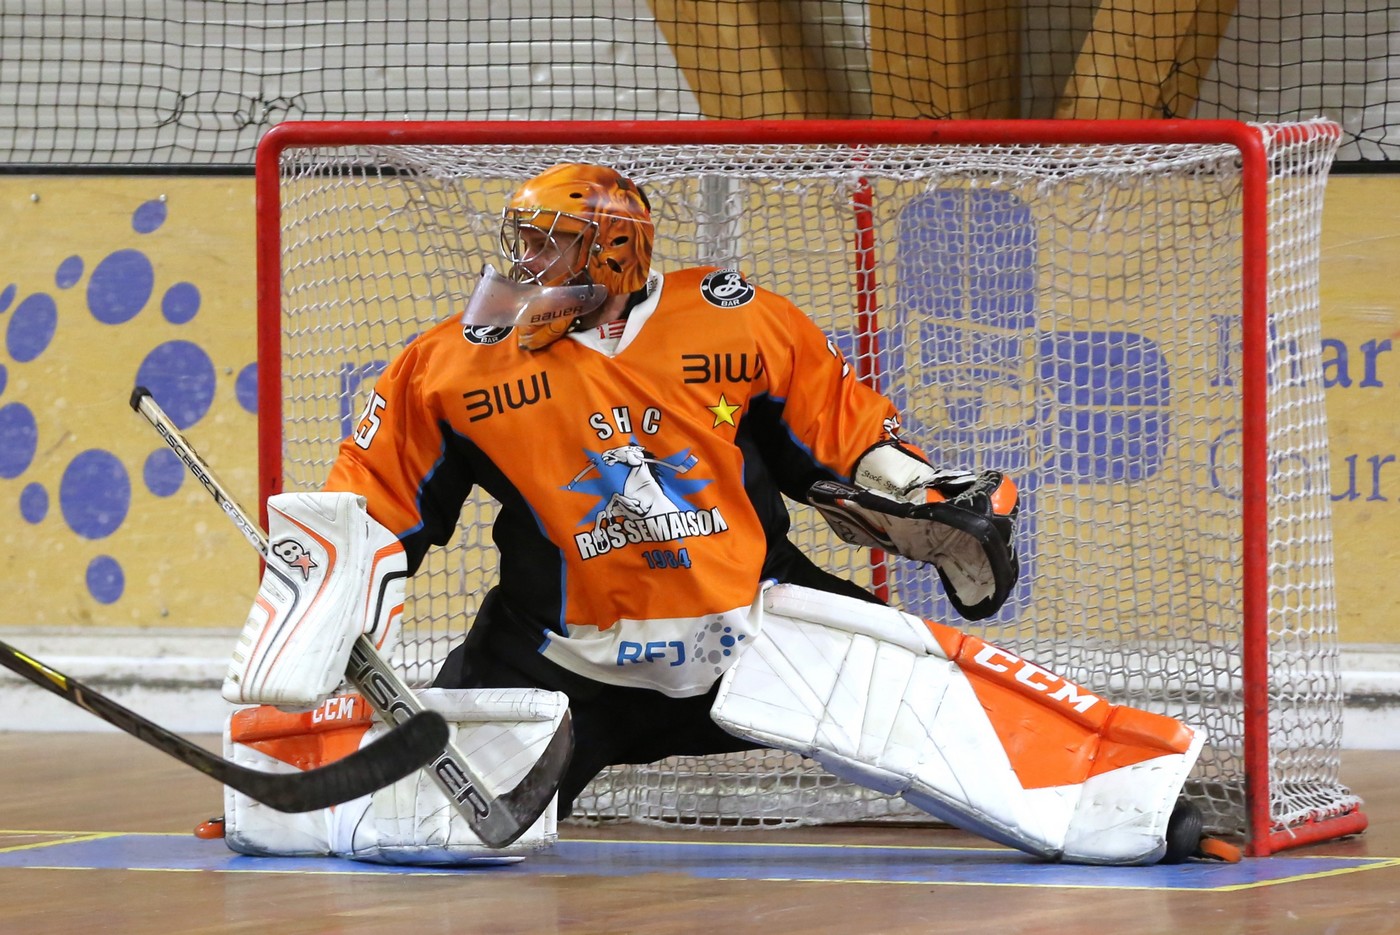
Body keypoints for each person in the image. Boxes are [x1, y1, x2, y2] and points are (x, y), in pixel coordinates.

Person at [220, 163, 1216, 867]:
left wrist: (917, 491)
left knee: (942, 700)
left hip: (757, 627)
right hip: (556, 660)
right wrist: (325, 598)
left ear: (613, 249)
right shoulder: (452, 363)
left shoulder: (741, 318)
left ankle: (1130, 800)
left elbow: (842, 436)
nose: (522, 262)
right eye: (518, 242)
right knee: (382, 810)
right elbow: (373, 502)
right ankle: (278, 791)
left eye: (546, 243)